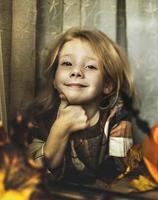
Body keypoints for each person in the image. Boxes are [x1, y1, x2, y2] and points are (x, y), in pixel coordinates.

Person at [26, 28, 135, 183]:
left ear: (107, 85)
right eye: (67, 63)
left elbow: (122, 175)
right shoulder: (40, 120)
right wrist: (60, 129)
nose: (76, 71)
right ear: (54, 80)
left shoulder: (116, 121)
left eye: (90, 66)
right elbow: (30, 178)